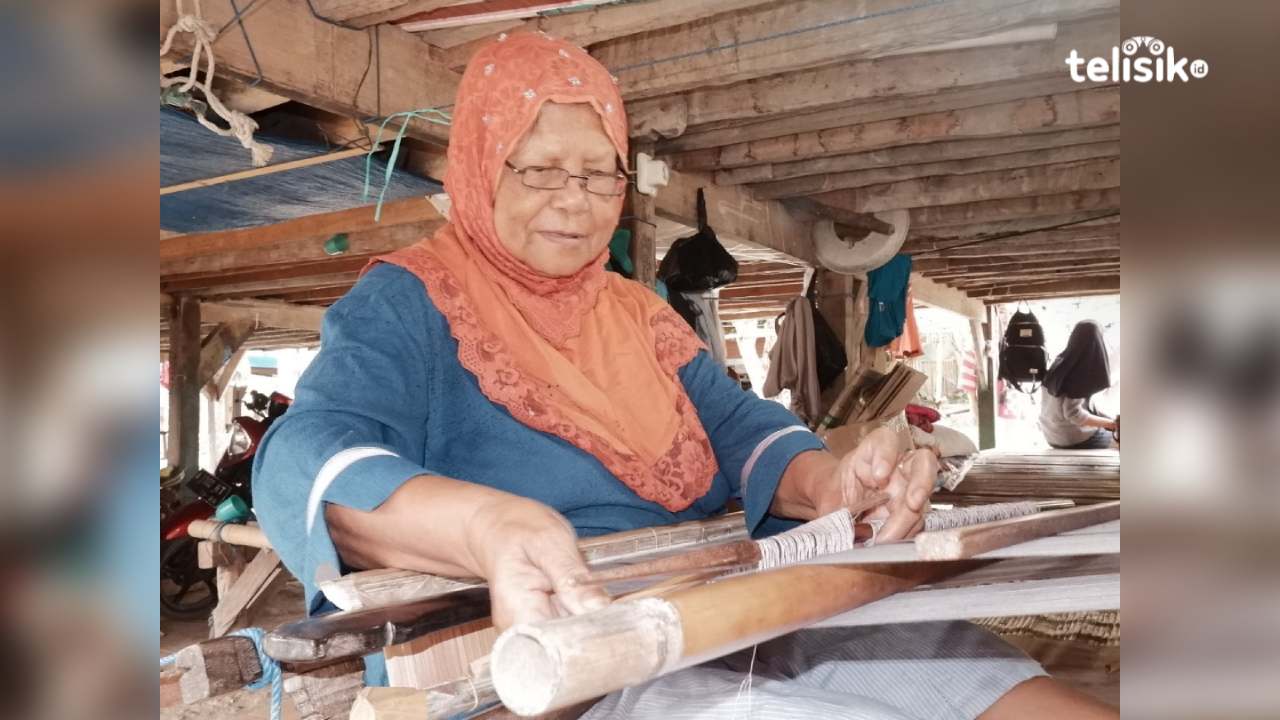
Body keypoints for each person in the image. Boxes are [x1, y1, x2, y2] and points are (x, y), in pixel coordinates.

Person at [254, 33, 1116, 719]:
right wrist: (489, 528)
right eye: (539, 167)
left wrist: (834, 480)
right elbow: (305, 455)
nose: (574, 198)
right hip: (575, 655)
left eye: (599, 172)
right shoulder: (408, 302)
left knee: (1016, 693)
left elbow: (740, 431)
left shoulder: (636, 312)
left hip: (730, 603)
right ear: (481, 168)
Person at [1038, 320, 1118, 449]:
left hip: (1051, 434)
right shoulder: (1081, 371)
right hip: (1070, 438)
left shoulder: (1059, 362)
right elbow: (1074, 414)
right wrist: (1113, 424)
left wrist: (1108, 421)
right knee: (1123, 439)